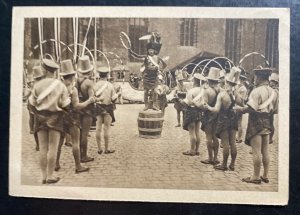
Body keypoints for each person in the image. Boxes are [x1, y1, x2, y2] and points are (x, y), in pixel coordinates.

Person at [28, 58, 70, 184]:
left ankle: (43, 176)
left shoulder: (37, 85)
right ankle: (51, 175)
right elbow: (66, 104)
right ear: (54, 71)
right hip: (56, 118)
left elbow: (32, 103)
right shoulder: (60, 85)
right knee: (53, 147)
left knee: (43, 148)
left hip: (40, 118)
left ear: (44, 70)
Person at [234, 68, 278, 184]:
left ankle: (256, 176)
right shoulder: (274, 92)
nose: (255, 80)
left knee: (256, 151)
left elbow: (250, 108)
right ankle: (265, 175)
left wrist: (240, 109)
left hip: (256, 123)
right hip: (268, 123)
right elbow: (276, 110)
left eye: (255, 77)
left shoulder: (256, 91)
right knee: (265, 150)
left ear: (259, 77)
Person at [55, 59, 95, 173]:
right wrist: (89, 101)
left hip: (60, 116)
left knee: (59, 141)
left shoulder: (58, 87)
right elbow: (77, 106)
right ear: (72, 76)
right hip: (72, 118)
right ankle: (78, 166)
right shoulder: (73, 89)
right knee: (75, 142)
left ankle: (56, 164)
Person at [204, 67, 243, 171]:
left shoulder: (222, 94)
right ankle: (233, 164)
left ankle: (224, 164)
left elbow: (216, 110)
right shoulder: (237, 94)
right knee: (233, 143)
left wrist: (207, 107)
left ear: (226, 81)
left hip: (224, 119)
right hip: (233, 119)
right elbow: (241, 106)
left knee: (225, 143)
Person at [129, 32, 167, 111]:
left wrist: (160, 72)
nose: (151, 51)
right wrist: (131, 52)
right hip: (147, 77)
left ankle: (154, 105)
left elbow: (163, 65)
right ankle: (146, 105)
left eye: (152, 50)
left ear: (154, 50)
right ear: (148, 50)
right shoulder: (146, 58)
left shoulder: (157, 58)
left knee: (155, 92)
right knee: (146, 92)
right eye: (149, 50)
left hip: (154, 78)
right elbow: (137, 56)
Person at [94, 67, 120, 154]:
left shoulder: (95, 85)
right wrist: (118, 94)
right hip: (108, 108)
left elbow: (94, 97)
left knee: (98, 128)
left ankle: (99, 149)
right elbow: (114, 99)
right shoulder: (110, 85)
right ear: (107, 75)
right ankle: (106, 148)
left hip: (98, 107)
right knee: (106, 129)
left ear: (99, 75)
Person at [199, 67, 221, 165]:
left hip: (208, 116)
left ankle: (210, 158)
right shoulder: (221, 90)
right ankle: (216, 158)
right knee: (215, 137)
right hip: (218, 116)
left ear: (209, 80)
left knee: (208, 137)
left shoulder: (207, 91)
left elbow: (204, 106)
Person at [181, 73, 206, 156]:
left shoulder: (191, 91)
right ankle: (197, 150)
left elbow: (186, 103)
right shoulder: (203, 91)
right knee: (197, 132)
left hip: (191, 111)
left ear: (195, 80)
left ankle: (192, 150)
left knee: (192, 132)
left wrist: (180, 101)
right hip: (199, 112)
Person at [76, 55, 95, 163]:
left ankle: (78, 154)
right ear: (90, 71)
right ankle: (84, 156)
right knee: (85, 134)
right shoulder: (89, 83)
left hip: (78, 108)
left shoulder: (76, 81)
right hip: (87, 110)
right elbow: (92, 98)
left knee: (79, 132)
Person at [26, 66, 45, 151]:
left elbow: (29, 94)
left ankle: (38, 144)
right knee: (39, 124)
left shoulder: (33, 84)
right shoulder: (41, 84)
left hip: (31, 103)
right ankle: (40, 144)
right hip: (37, 104)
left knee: (35, 123)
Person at [236, 68, 248, 143]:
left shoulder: (243, 89)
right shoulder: (239, 87)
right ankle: (237, 136)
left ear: (243, 80)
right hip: (236, 106)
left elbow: (242, 99)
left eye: (240, 80)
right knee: (236, 122)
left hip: (240, 106)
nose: (239, 81)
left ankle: (239, 138)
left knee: (239, 123)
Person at [269, 72, 279, 144]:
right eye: (271, 81)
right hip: (271, 108)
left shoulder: (275, 91)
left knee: (270, 123)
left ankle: (270, 138)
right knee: (270, 123)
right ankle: (270, 138)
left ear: (275, 83)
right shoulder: (272, 89)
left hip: (272, 109)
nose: (271, 83)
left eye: (272, 82)